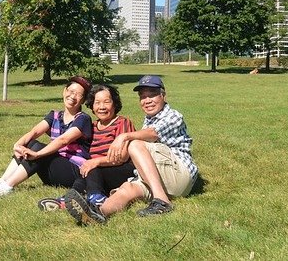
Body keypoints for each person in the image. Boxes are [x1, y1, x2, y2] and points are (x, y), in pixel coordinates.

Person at [64, 75, 198, 224]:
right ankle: (97, 214)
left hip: (179, 174)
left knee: (135, 143)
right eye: (143, 97)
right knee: (128, 188)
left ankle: (162, 201)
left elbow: (153, 134)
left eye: (152, 95)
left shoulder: (173, 115)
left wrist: (124, 136)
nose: (147, 100)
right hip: (163, 179)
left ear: (163, 95)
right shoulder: (149, 119)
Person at [0, 75, 93, 200]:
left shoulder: (83, 119)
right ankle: (0, 182)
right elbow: (34, 132)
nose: (72, 96)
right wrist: (18, 145)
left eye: (78, 94)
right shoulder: (55, 115)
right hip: (53, 170)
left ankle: (7, 187)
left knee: (37, 148)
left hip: (73, 170)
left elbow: (63, 140)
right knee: (30, 143)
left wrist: (37, 154)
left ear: (83, 100)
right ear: (64, 91)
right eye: (70, 91)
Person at [38, 83, 135, 211]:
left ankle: (96, 199)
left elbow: (123, 157)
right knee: (85, 171)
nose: (102, 107)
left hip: (121, 170)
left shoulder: (122, 122)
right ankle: (69, 200)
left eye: (106, 102)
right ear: (92, 106)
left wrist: (96, 161)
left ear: (115, 104)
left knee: (93, 168)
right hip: (96, 172)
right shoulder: (92, 126)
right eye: (97, 102)